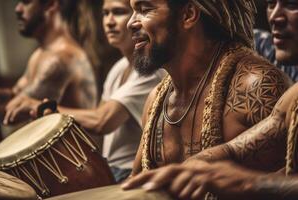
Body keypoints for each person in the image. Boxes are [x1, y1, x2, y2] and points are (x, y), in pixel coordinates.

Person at [122, 1, 298, 199]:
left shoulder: (256, 86)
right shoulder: (156, 101)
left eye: (145, 10)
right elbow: (134, 185)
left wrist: (248, 183)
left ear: (188, 15)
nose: (130, 23)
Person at [24, 0, 165, 183]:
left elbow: (101, 121)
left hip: (130, 170)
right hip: (112, 168)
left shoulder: (149, 71)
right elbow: (96, 120)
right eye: (105, 13)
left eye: (118, 12)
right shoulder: (119, 68)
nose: (109, 21)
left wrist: (47, 108)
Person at [0, 0, 97, 125]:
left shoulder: (58, 60)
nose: (18, 9)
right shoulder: (41, 53)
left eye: (26, 2)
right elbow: (16, 95)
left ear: (50, 4)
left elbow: (11, 114)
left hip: (74, 159)